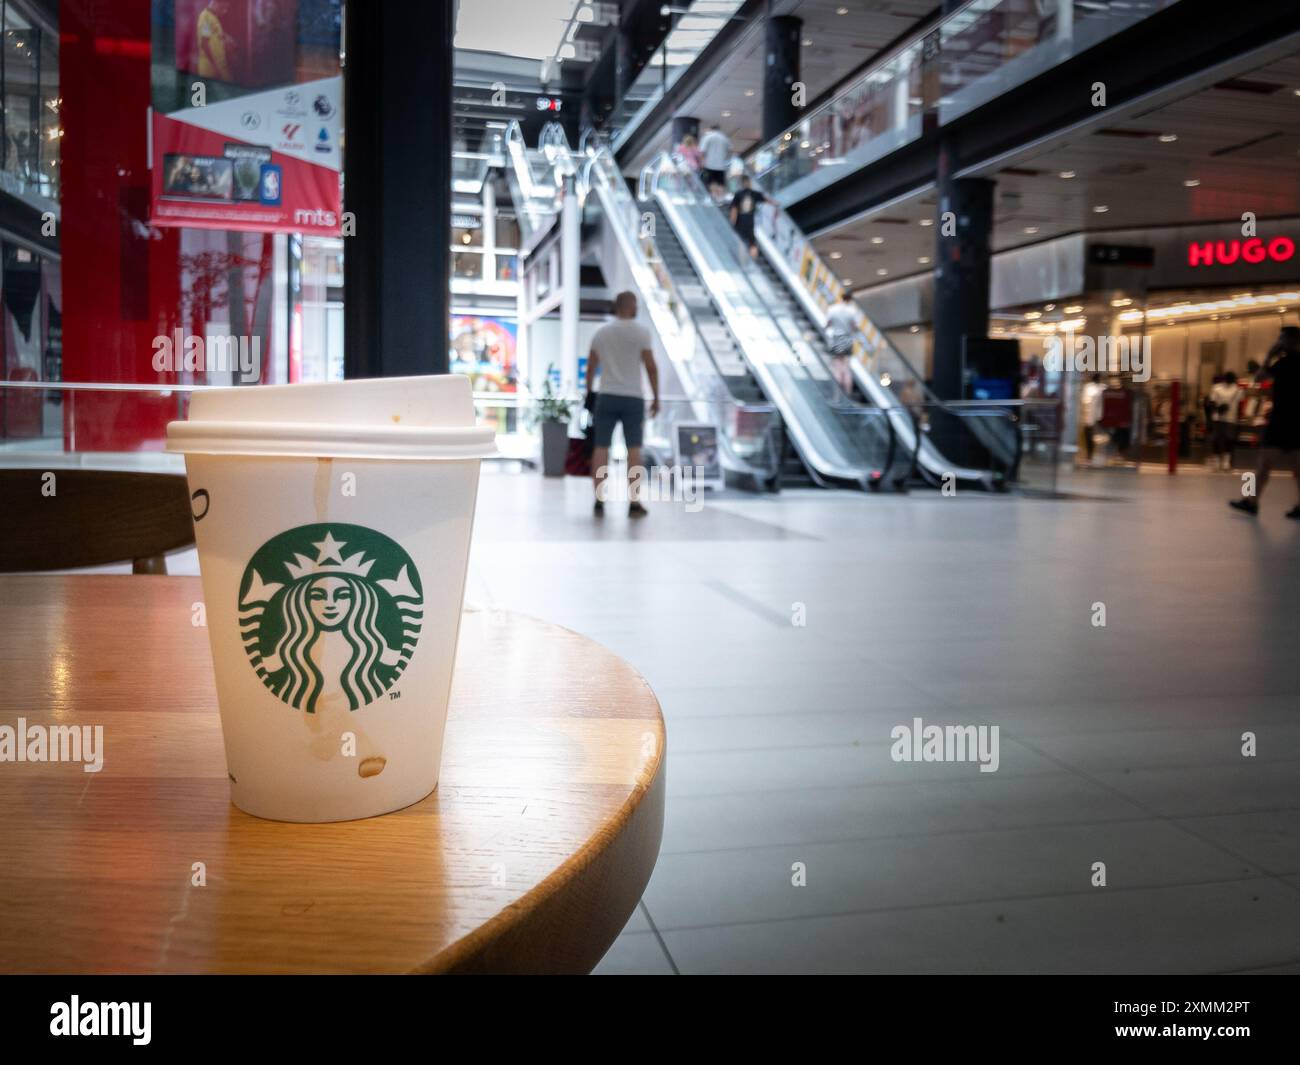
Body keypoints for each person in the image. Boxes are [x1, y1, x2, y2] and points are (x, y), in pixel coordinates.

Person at [586, 291, 661, 518]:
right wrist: (656, 396)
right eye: (636, 303)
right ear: (630, 306)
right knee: (634, 451)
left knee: (601, 449)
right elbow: (650, 366)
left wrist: (589, 392)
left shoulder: (601, 333)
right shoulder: (641, 332)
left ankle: (599, 499)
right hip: (633, 398)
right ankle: (634, 502)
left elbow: (591, 366)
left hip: (606, 395)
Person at [1230, 327, 1300, 518]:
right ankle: (1252, 501)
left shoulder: (1284, 362)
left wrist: (1269, 354)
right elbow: (1260, 379)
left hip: (1282, 420)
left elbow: (1259, 378)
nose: (1279, 342)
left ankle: (1251, 502)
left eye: (1282, 339)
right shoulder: (1284, 362)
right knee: (1291, 465)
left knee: (1264, 463)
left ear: (1291, 341)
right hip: (1291, 420)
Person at [824, 292, 858, 395]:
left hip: (836, 339)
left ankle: (837, 394)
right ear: (850, 300)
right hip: (847, 340)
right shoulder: (852, 311)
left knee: (837, 368)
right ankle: (847, 393)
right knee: (846, 369)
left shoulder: (833, 309)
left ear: (841, 298)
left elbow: (828, 324)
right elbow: (854, 327)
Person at [729, 175, 766, 259]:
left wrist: (732, 222)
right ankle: (753, 260)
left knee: (742, 242)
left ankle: (743, 262)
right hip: (749, 222)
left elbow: (734, 209)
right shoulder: (753, 194)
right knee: (752, 243)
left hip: (741, 222)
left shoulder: (739, 194)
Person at [1208, 370, 1239, 472]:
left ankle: (1220, 462)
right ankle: (1224, 462)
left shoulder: (1217, 388)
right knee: (1224, 440)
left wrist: (1216, 409)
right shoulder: (1237, 389)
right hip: (1226, 418)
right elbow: (1212, 403)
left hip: (1221, 418)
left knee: (1220, 440)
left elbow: (1211, 403)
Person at [699, 123, 731, 197]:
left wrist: (702, 162)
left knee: (711, 182)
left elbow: (702, 151)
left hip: (709, 164)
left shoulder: (707, 137)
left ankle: (714, 196)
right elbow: (729, 150)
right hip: (721, 165)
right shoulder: (724, 138)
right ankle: (720, 198)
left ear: (711, 129)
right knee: (720, 183)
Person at [1080, 372, 1105, 465]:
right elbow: (1085, 402)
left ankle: (1096, 456)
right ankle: (1090, 455)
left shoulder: (1103, 388)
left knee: (1099, 437)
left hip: (1100, 417)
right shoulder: (1088, 388)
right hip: (1090, 417)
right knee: (1089, 436)